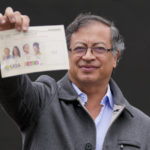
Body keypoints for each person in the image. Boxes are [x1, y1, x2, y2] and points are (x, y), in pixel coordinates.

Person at [0, 7, 150, 150]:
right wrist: (4, 41)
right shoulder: (41, 101)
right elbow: (11, 86)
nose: (88, 56)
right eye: (79, 48)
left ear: (115, 57)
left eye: (99, 48)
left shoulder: (142, 127)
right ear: (68, 54)